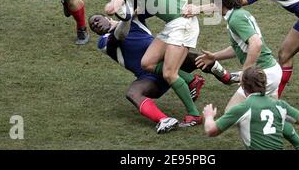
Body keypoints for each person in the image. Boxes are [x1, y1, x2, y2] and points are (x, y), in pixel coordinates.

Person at [194, 0, 299, 149]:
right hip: (271, 71)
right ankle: (297, 143)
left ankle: (259, 141)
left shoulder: (235, 19)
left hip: (264, 73)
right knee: (274, 114)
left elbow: (256, 44)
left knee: (233, 111)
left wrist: (246, 72)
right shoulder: (239, 14)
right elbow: (241, 46)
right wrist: (215, 56)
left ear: (221, 4)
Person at [88, 13, 239, 133]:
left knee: (198, 57)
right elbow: (119, 36)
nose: (95, 24)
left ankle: (226, 77)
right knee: (133, 93)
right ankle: (165, 119)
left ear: (107, 17)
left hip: (169, 60)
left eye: (96, 20)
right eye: (93, 26)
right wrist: (126, 16)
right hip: (149, 78)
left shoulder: (135, 20)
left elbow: (149, 7)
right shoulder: (104, 42)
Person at [104, 0, 202, 127]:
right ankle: (191, 80)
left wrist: (113, 6)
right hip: (173, 24)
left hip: (183, 24)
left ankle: (194, 114)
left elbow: (111, 8)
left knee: (169, 74)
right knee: (147, 63)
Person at [203, 66, 299, 150]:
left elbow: (211, 131)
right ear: (264, 84)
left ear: (242, 86)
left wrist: (209, 116)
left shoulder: (242, 108)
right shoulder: (280, 105)